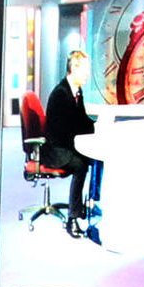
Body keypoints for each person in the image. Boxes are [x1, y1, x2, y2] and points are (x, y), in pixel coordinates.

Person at [40, 47, 97, 235]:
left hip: (67, 143)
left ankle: (83, 205)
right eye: (85, 70)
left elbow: (81, 120)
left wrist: (97, 129)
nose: (88, 74)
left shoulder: (76, 91)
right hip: (56, 150)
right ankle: (73, 218)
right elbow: (63, 131)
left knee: (95, 158)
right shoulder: (61, 94)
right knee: (81, 165)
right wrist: (87, 138)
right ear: (74, 68)